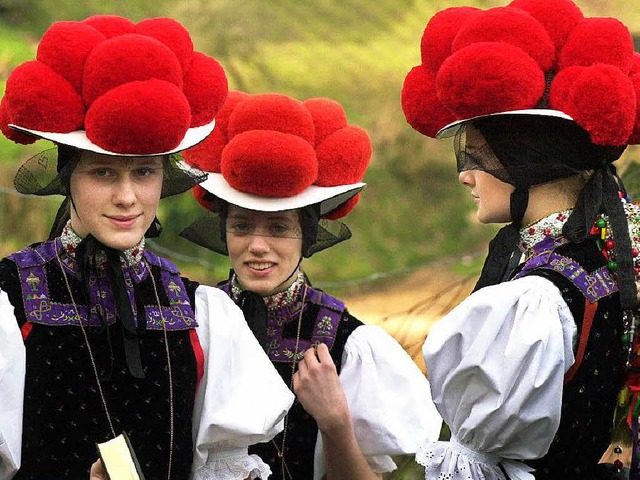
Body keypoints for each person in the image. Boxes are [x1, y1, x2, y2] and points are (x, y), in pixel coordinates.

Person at [0, 15, 293, 480]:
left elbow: (223, 466)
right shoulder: (11, 300)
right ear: (66, 177)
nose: (127, 197)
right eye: (102, 173)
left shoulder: (201, 312)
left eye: (143, 172)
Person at [401, 0, 640, 478]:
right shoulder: (612, 256)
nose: (467, 176)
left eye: (478, 157)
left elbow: (477, 463)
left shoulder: (534, 298)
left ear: (526, 161)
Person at [179, 91, 443, 479]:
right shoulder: (193, 320)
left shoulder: (346, 343)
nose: (257, 245)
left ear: (307, 236)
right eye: (241, 225)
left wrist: (334, 419)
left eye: (278, 228)